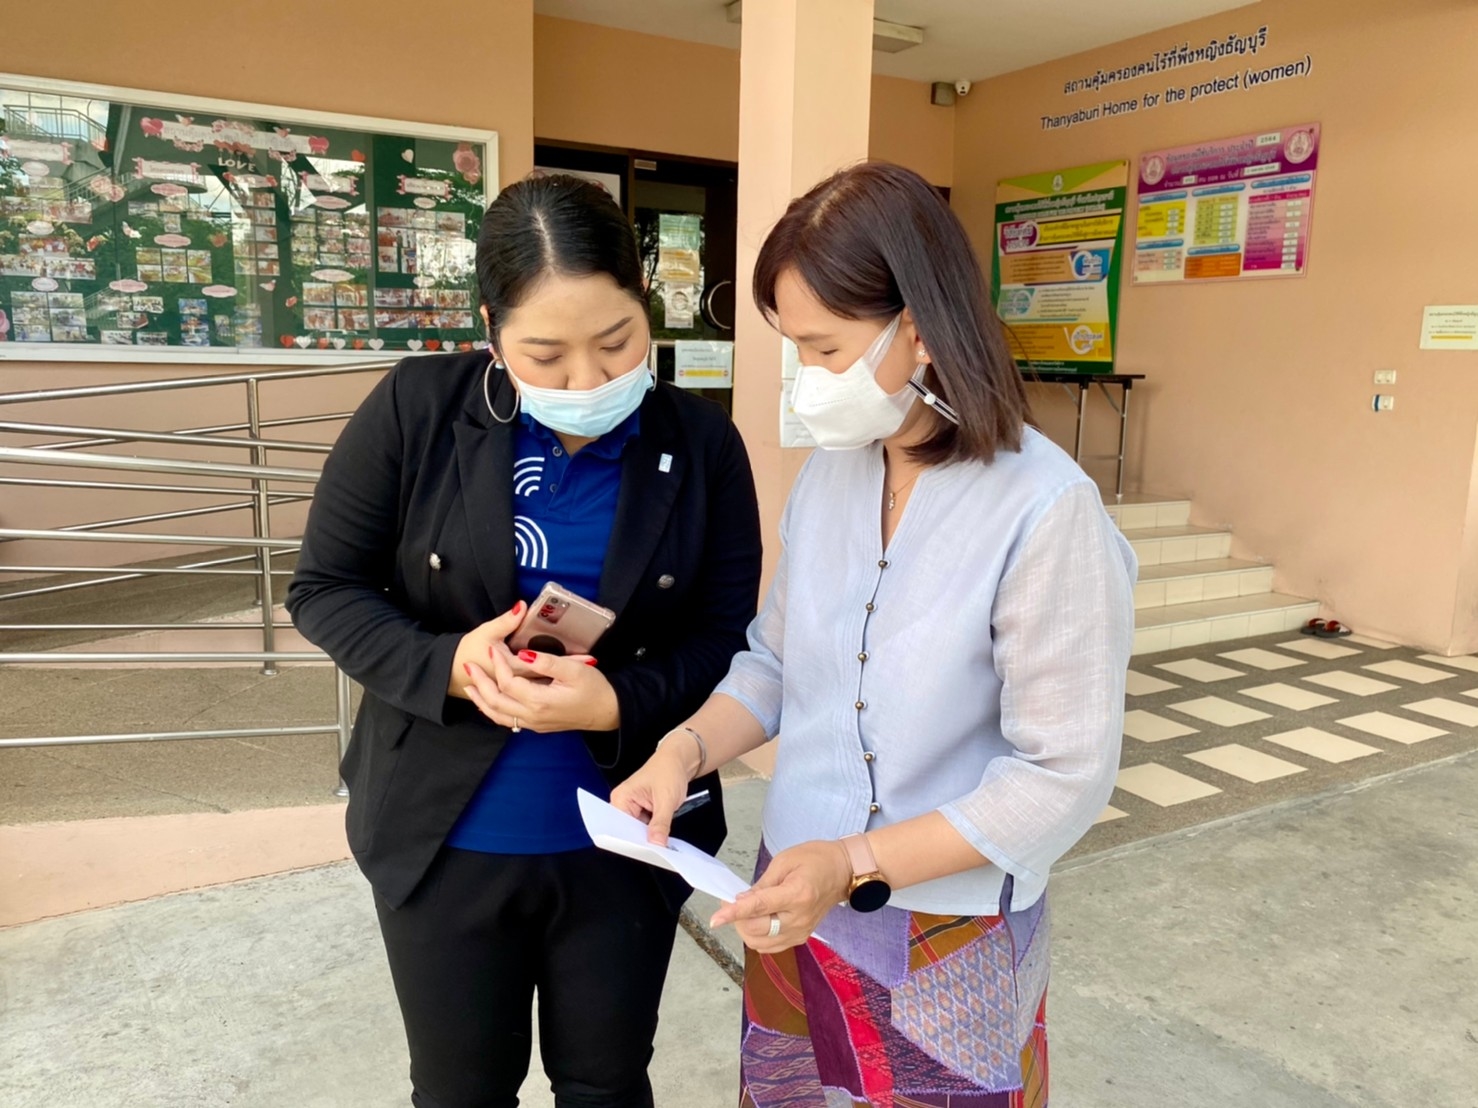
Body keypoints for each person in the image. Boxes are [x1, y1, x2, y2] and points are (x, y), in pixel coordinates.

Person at [612, 161, 1136, 1107]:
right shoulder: (833, 476)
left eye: (826, 349)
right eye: (796, 350)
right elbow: (776, 663)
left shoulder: (1044, 508)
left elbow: (1061, 776)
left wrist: (853, 864)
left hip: (947, 924)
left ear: (921, 329)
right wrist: (682, 753)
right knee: (791, 1090)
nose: (808, 383)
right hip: (792, 893)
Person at [286, 174, 763, 1108]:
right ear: (491, 331)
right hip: (443, 840)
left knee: (606, 1083)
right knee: (459, 1091)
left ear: (645, 301)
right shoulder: (419, 409)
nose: (588, 380)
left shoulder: (702, 443)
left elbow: (727, 635)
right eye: (545, 354)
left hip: (627, 837)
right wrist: (447, 664)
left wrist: (620, 701)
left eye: (616, 342)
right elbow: (325, 588)